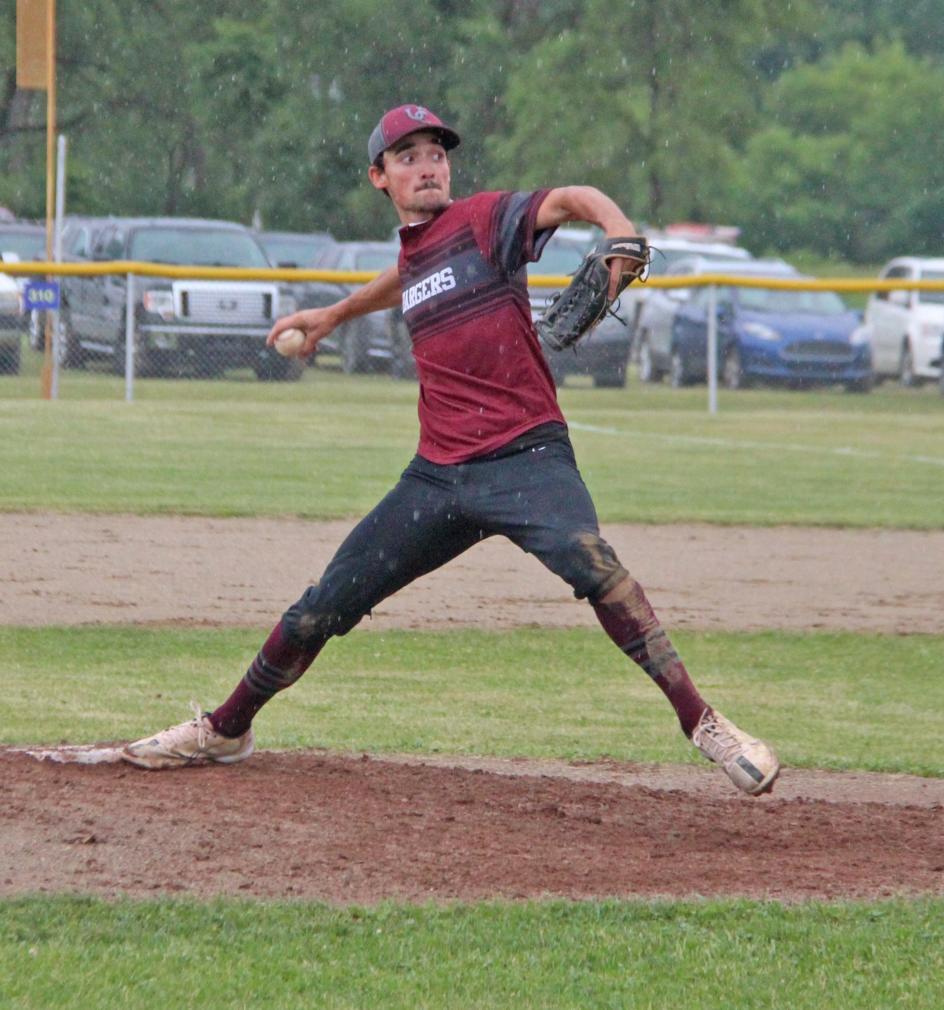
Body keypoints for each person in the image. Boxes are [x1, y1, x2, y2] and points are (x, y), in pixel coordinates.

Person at [122, 104, 779, 796]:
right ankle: (226, 728)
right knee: (323, 604)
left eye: (436, 152)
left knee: (596, 567)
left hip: (528, 458)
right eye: (408, 156)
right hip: (438, 476)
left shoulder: (485, 220)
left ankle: (703, 721)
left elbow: (571, 198)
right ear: (379, 177)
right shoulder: (414, 256)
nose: (428, 165)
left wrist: (618, 231)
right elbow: (405, 279)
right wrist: (333, 316)